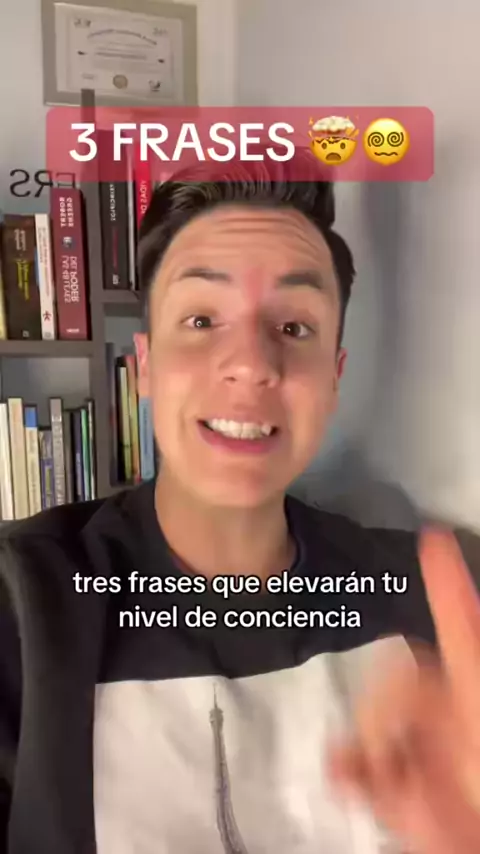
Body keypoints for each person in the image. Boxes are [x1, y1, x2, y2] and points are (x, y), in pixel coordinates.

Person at [0, 155, 479, 854]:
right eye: (201, 318)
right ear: (146, 366)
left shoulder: (444, 596)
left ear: (334, 375)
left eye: (294, 327)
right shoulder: (21, 603)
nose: (252, 364)